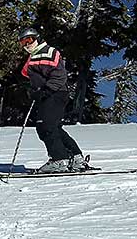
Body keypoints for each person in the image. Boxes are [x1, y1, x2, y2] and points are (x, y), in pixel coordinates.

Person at [18, 28, 89, 173]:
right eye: (23, 42)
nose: (26, 44)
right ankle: (75, 158)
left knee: (45, 127)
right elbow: (27, 74)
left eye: (29, 40)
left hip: (54, 94)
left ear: (37, 38)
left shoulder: (48, 51)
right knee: (53, 128)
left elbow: (60, 75)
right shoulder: (35, 55)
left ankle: (59, 160)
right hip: (51, 94)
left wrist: (46, 90)